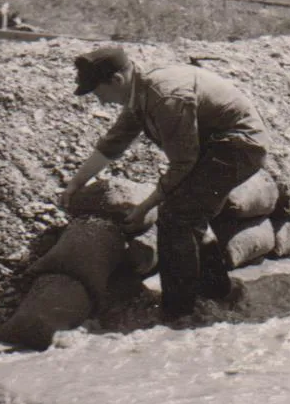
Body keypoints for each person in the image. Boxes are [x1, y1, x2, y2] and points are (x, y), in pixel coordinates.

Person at [62, 47, 268, 322]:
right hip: (214, 147)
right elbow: (114, 143)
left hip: (239, 146)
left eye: (98, 92)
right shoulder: (139, 95)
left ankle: (179, 312)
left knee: (176, 216)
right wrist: (76, 183)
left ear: (116, 81)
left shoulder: (164, 98)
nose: (100, 101)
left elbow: (183, 162)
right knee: (188, 213)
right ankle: (218, 292)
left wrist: (146, 206)